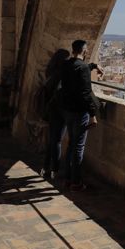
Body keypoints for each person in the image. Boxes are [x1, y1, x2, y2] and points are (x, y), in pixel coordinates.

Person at [59, 39, 100, 190]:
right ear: (83, 51)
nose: (88, 51)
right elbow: (86, 93)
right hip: (79, 111)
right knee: (78, 147)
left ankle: (68, 178)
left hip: (67, 110)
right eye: (87, 49)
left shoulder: (66, 65)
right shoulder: (82, 68)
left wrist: (93, 66)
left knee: (71, 144)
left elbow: (77, 71)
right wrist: (93, 114)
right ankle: (76, 182)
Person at [40, 48, 70, 181]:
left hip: (50, 109)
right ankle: (55, 170)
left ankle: (45, 168)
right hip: (60, 109)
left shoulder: (50, 72)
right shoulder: (62, 74)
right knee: (57, 141)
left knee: (52, 140)